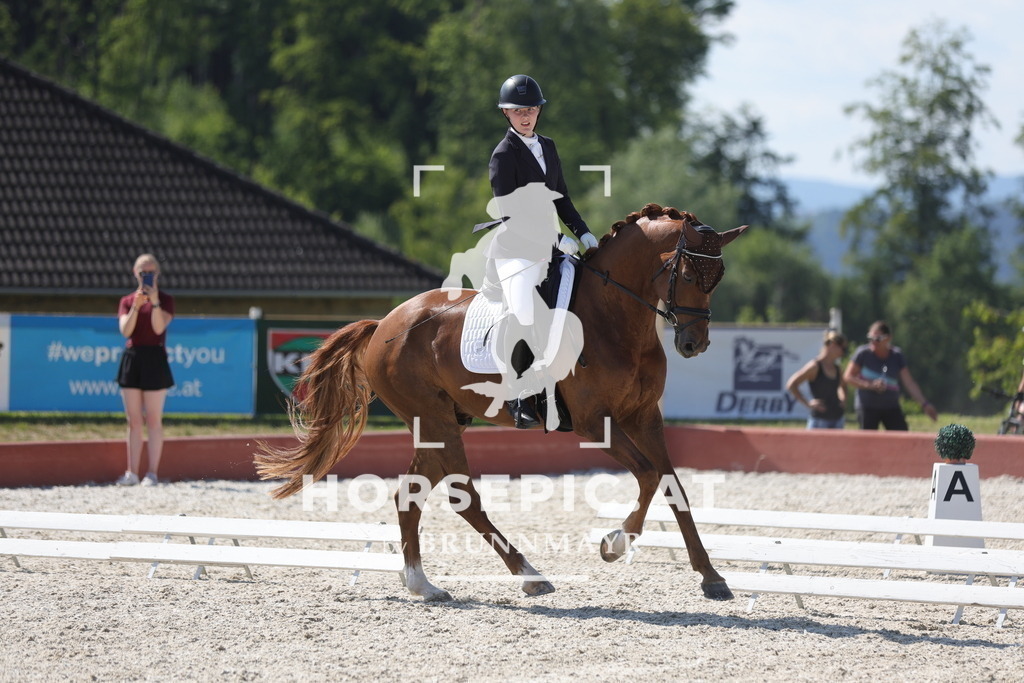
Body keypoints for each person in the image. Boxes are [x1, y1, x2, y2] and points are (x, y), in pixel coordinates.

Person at [484, 74, 600, 428]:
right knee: (523, 312)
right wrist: (553, 240)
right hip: (515, 252)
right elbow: (510, 211)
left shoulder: (547, 146)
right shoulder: (503, 155)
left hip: (550, 248)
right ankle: (518, 395)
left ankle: (560, 392)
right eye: (518, 110)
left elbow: (561, 197)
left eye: (531, 109)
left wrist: (583, 233)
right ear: (506, 113)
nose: (525, 115)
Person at [115, 254, 175, 485]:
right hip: (133, 357)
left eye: (150, 272)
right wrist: (137, 308)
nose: (146, 276)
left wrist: (155, 300)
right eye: (142, 273)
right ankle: (132, 472)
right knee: (133, 420)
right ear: (135, 273)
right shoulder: (128, 301)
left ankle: (152, 473)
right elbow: (126, 331)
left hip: (155, 358)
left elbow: (158, 327)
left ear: (157, 274)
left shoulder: (166, 300)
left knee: (153, 418)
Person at [843, 320, 937, 430]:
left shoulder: (896, 355)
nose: (873, 342)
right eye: (870, 338)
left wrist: (925, 404)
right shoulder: (863, 354)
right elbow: (848, 377)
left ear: (888, 338)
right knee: (868, 443)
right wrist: (870, 385)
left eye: (877, 339)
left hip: (891, 406)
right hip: (867, 407)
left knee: (902, 439)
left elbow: (909, 382)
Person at [786, 329, 848, 429]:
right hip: (819, 420)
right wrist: (808, 403)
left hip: (837, 419)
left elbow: (843, 386)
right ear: (832, 345)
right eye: (842, 348)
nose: (843, 352)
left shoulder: (837, 368)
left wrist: (843, 399)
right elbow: (792, 384)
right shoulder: (815, 367)